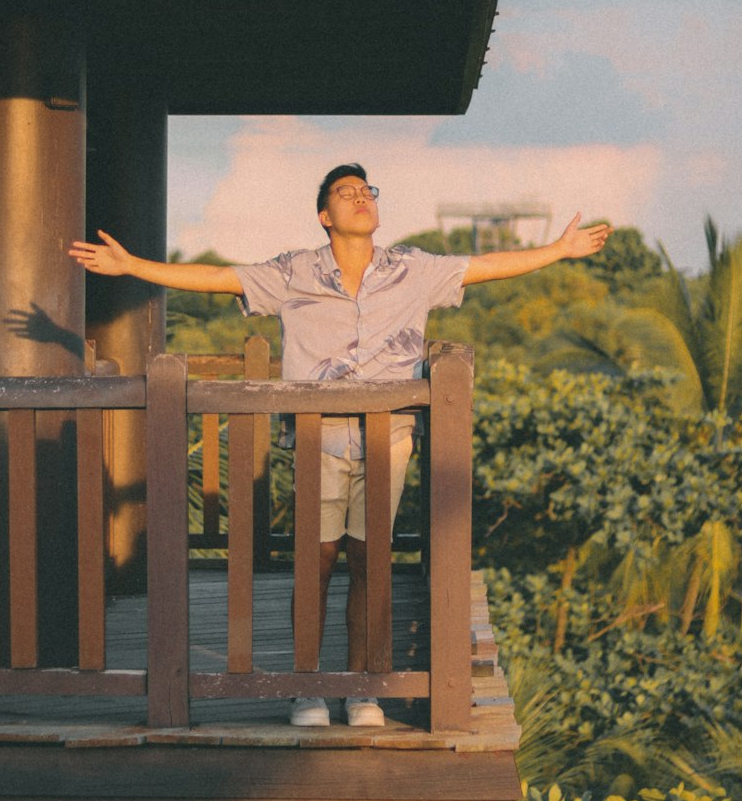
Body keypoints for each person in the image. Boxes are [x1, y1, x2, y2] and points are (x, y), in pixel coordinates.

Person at [70, 164, 610, 728]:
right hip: (318, 437)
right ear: (325, 216)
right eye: (346, 193)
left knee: (369, 562)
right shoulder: (295, 272)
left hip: (388, 440)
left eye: (367, 191)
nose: (361, 198)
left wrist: (557, 250)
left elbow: (489, 266)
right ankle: (308, 689)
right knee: (317, 561)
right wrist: (131, 265)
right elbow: (219, 277)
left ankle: (362, 688)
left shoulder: (413, 269)